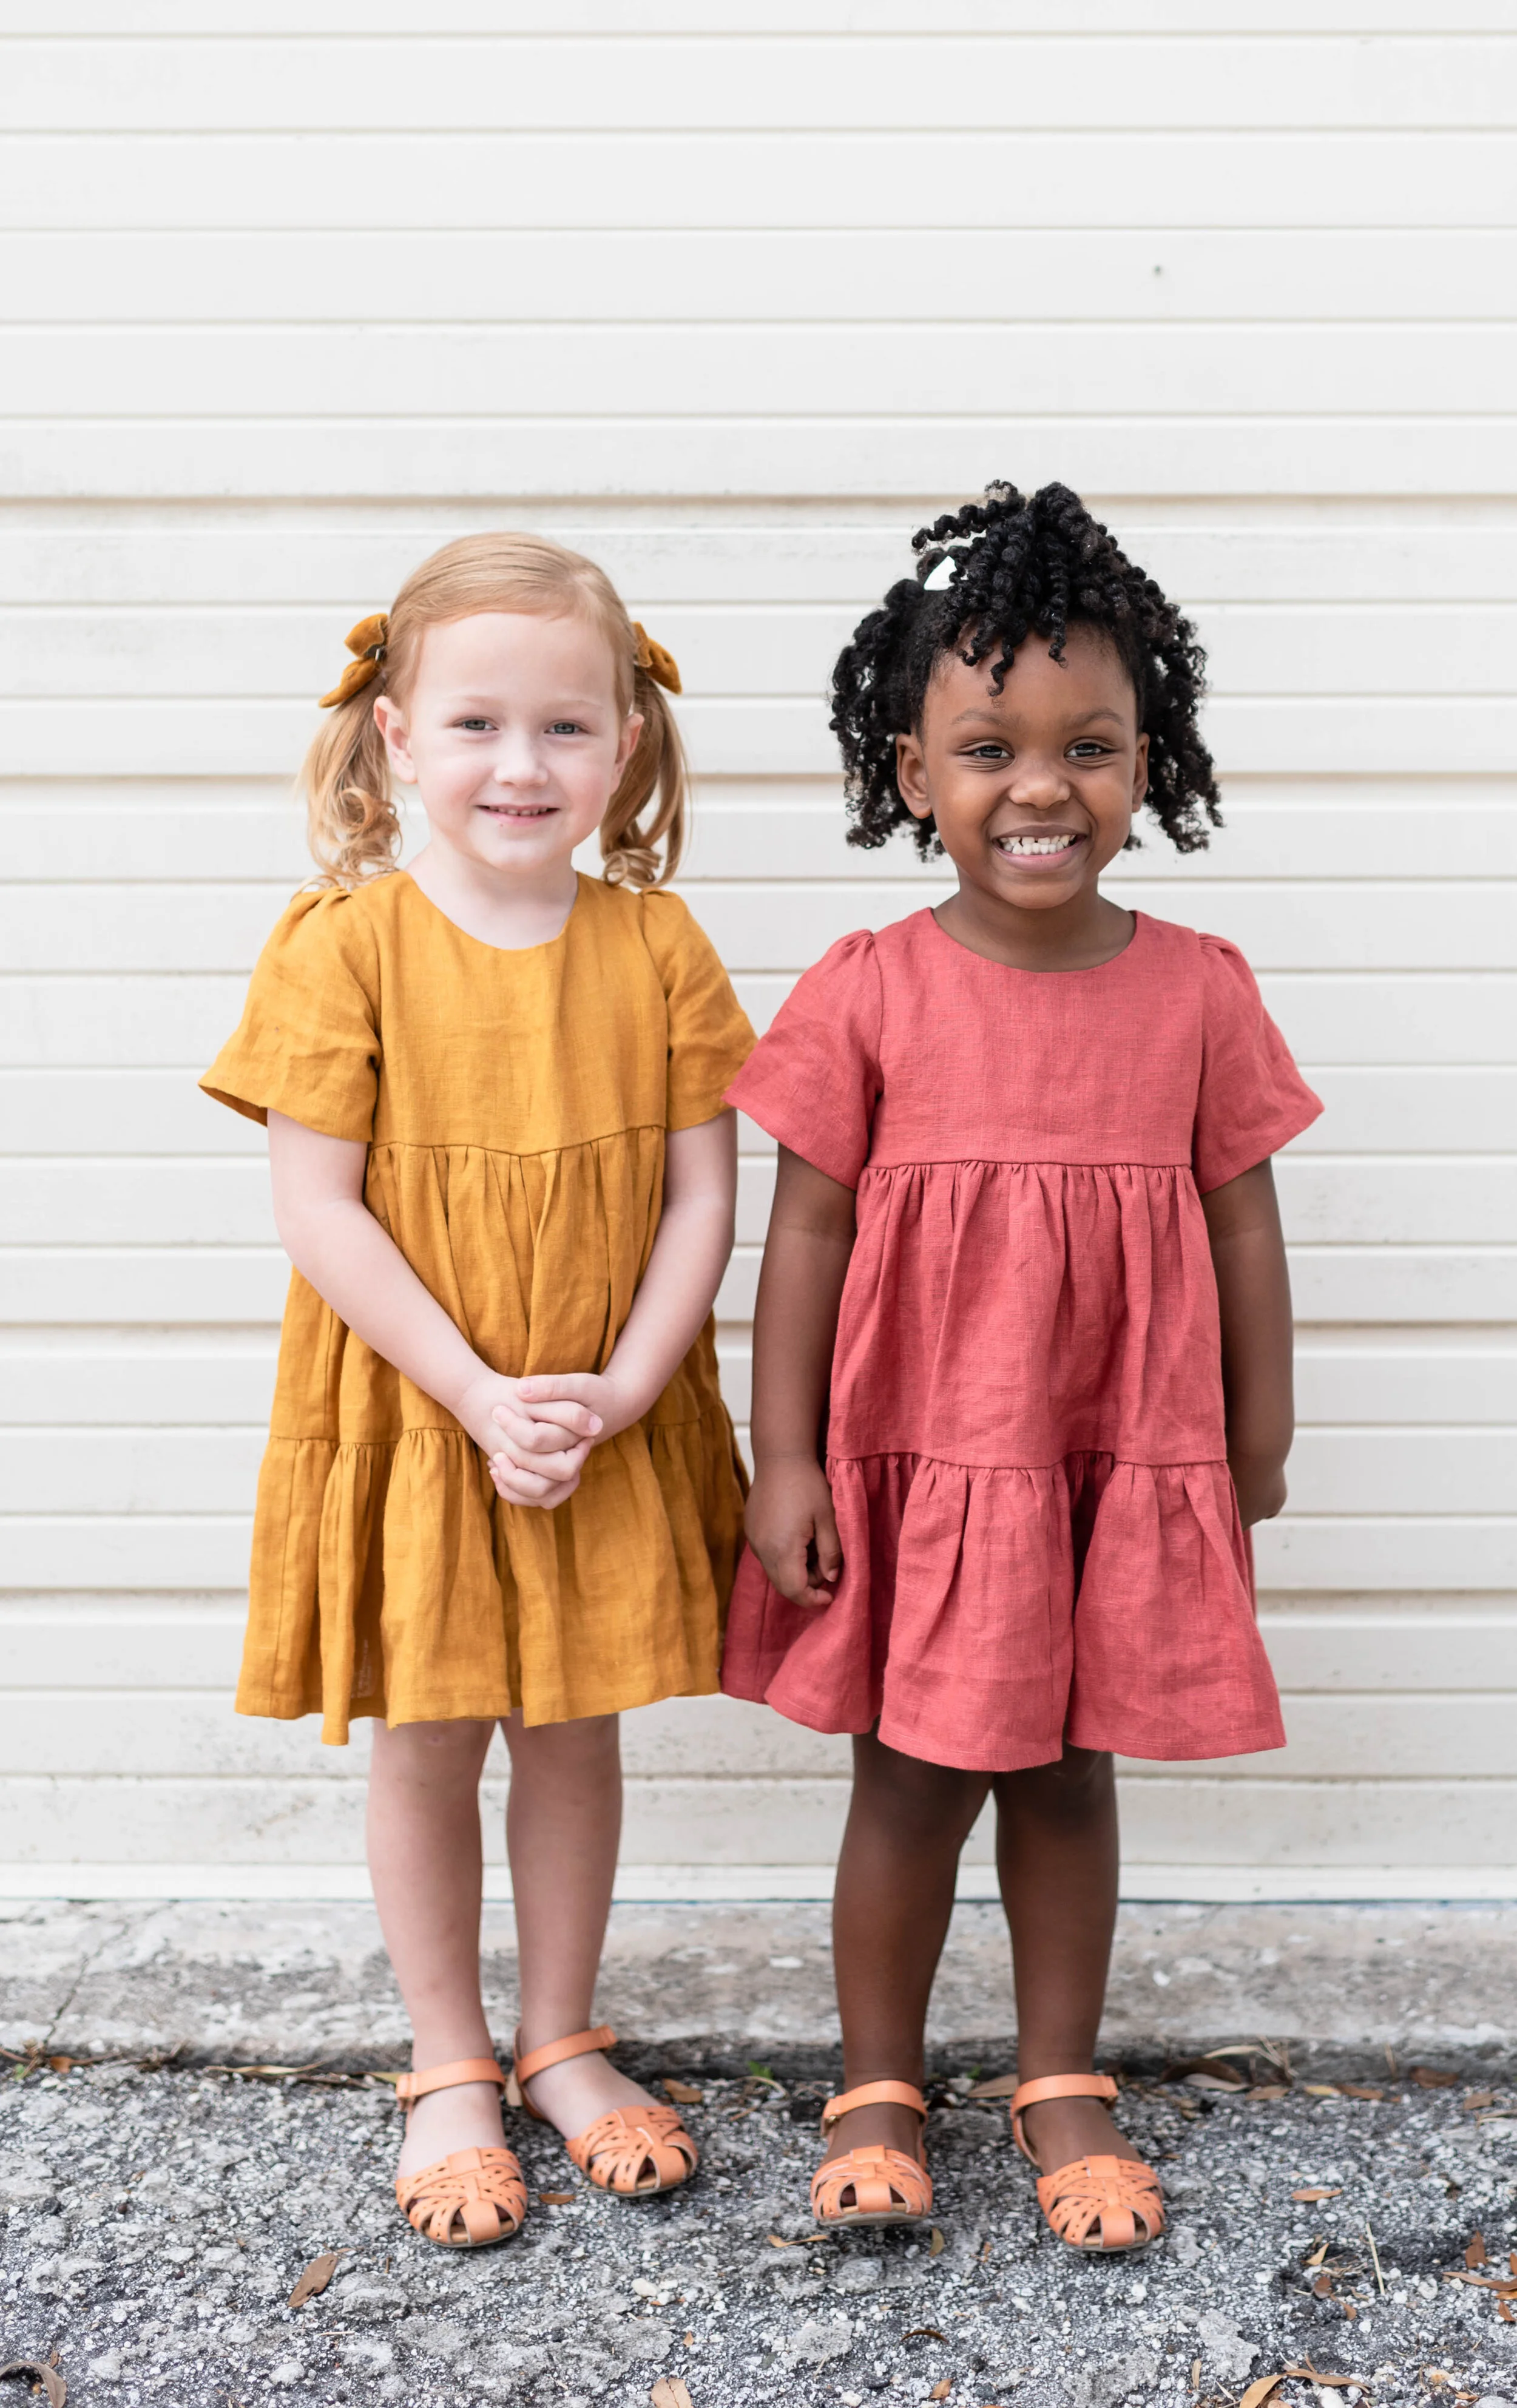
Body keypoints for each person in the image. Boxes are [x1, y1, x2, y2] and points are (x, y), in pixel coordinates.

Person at [723, 481, 1321, 2252]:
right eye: (988, 746)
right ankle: (877, 2078)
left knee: (1067, 1768)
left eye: (1090, 744)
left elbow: (1244, 1231)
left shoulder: (1200, 991)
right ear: (913, 772)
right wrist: (782, 1458)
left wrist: (1253, 1435)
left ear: (1153, 761)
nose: (1040, 784)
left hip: (1106, 1455)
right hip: (918, 1453)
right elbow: (808, 1238)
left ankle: (1060, 2074)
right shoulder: (866, 988)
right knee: (909, 1772)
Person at [201, 534, 752, 2247]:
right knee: (432, 1735)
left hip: (596, 1412)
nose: (521, 766)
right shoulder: (343, 948)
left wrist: (613, 1391)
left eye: (567, 729)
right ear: (394, 740)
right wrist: (477, 1394)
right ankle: (448, 2059)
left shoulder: (654, 947)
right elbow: (319, 1206)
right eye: (478, 724)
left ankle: (562, 2036)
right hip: (420, 1406)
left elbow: (702, 1197)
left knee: (572, 1727)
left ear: (627, 747)